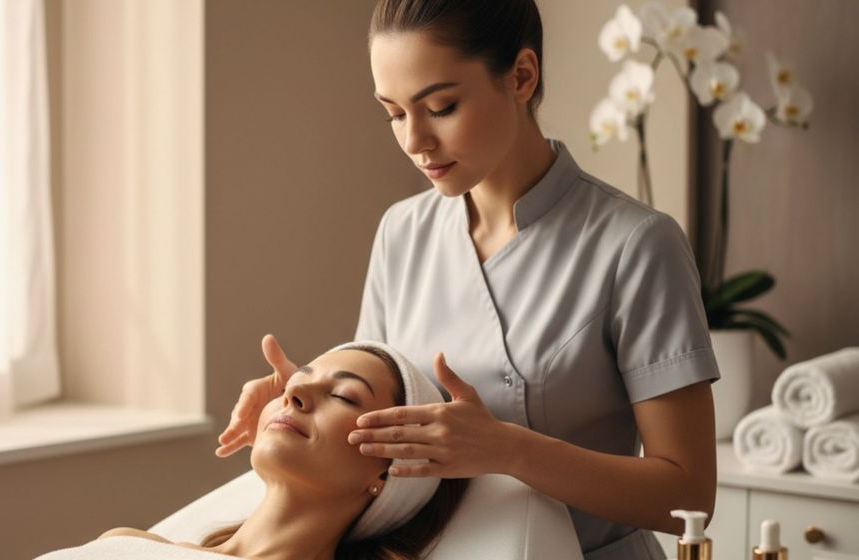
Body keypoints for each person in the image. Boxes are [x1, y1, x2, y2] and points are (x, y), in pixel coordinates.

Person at [217, 2, 721, 559]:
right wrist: (298, 397)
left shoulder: (635, 245)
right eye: (394, 113)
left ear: (521, 77)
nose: (415, 141)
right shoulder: (402, 232)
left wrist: (507, 449)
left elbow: (689, 494)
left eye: (441, 107)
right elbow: (378, 430)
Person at [98, 341, 469, 560]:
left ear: (388, 470)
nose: (294, 394)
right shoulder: (125, 544)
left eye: (343, 396)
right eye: (294, 383)